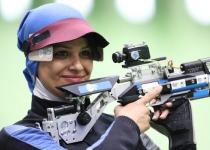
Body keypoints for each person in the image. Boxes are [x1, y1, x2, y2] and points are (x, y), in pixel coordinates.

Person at [0, 3, 196, 150]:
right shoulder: (17, 137)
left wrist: (181, 136)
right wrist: (126, 127)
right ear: (35, 63)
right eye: (61, 53)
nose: (78, 66)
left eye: (85, 53)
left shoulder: (115, 125)